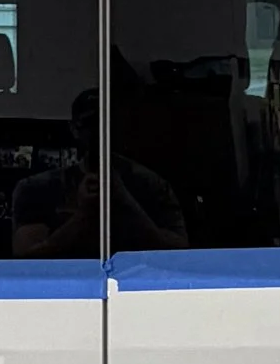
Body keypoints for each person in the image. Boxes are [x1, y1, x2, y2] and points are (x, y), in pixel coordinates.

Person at [12, 87, 187, 254]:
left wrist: (124, 200)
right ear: (74, 129)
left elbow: (178, 250)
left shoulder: (151, 184)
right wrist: (84, 214)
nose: (99, 132)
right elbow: (27, 256)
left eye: (107, 122)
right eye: (90, 124)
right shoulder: (38, 188)